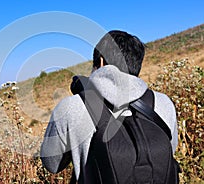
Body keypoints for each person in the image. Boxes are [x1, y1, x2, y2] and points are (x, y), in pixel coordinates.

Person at [40, 30, 178, 183]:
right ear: (137, 64)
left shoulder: (71, 106)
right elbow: (168, 150)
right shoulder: (163, 103)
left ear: (100, 62)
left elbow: (52, 165)